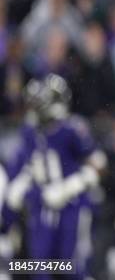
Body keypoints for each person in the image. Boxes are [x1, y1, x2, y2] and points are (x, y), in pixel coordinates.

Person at [3, 74, 106, 279]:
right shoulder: (30, 130)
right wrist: (19, 185)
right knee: (36, 267)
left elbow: (99, 164)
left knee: (71, 267)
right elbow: (28, 163)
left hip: (71, 206)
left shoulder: (73, 128)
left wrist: (70, 187)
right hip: (41, 205)